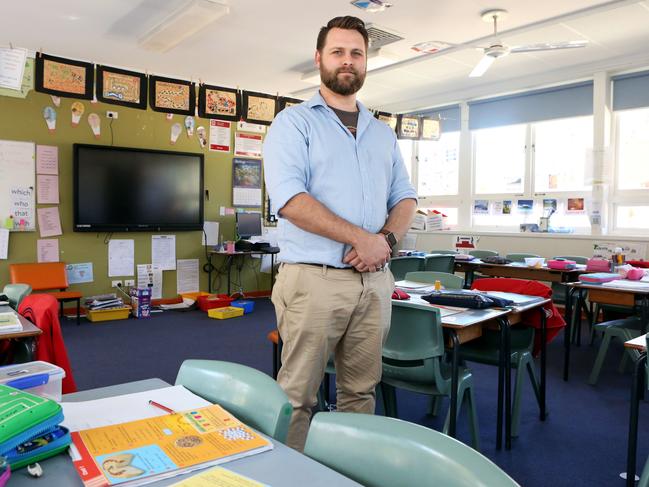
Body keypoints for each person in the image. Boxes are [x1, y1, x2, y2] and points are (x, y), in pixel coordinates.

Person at [263, 15, 417, 451]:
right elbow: (291, 200)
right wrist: (360, 239)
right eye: (338, 51)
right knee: (296, 398)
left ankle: (349, 472)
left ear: (366, 62)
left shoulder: (382, 133)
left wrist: (383, 242)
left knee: (360, 393)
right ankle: (288, 479)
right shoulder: (293, 124)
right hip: (315, 280)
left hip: (375, 282)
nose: (347, 61)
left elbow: (405, 198)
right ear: (319, 59)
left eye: (356, 53)